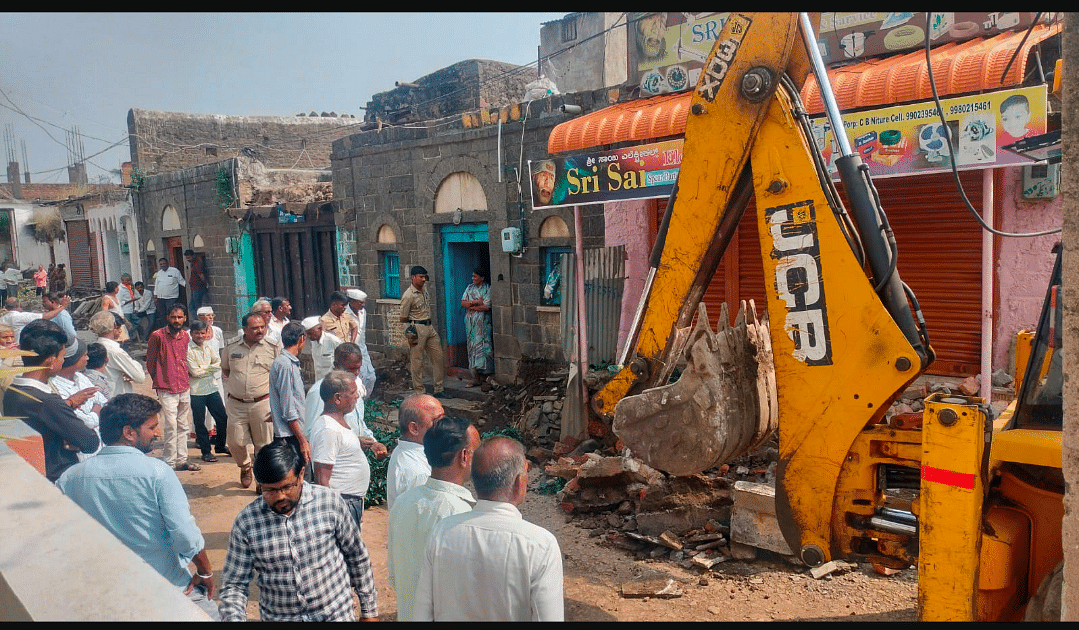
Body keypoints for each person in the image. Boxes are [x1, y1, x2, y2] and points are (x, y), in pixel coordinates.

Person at [57, 394, 219, 619]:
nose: (157, 433)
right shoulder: (157, 472)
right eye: (152, 427)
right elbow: (184, 534)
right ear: (129, 433)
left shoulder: (70, 478)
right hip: (166, 587)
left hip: (105, 593)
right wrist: (205, 571)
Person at [217, 440, 379, 622]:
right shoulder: (247, 523)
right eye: (269, 490)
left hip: (335, 614)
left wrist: (369, 611)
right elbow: (234, 585)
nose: (279, 497)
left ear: (301, 474)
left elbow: (357, 557)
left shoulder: (329, 503)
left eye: (286, 487)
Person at [414, 436, 564, 621]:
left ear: (476, 480)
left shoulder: (442, 532)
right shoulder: (541, 545)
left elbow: (422, 612)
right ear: (519, 481)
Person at [388, 417, 479, 621]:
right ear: (464, 456)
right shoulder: (463, 515)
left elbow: (395, 578)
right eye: (476, 452)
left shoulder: (402, 503)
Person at [3, 319, 99, 482]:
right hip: (55, 479)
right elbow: (90, 442)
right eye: (62, 356)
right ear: (51, 360)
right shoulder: (46, 401)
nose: (63, 361)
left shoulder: (12, 391)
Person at [222, 311, 281, 490]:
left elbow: (278, 375)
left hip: (262, 403)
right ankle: (245, 467)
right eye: (255, 328)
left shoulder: (272, 347)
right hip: (236, 403)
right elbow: (226, 370)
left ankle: (261, 479)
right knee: (235, 442)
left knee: (264, 445)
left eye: (262, 327)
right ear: (245, 329)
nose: (260, 331)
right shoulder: (231, 346)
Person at [304, 343, 388, 462]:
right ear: (337, 365)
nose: (357, 372)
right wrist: (354, 441)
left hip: (354, 459)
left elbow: (359, 422)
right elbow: (310, 434)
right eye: (352, 368)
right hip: (334, 464)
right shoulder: (319, 391)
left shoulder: (356, 386)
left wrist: (372, 442)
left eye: (359, 367)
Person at [310, 370, 369, 525]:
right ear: (337, 398)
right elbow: (322, 480)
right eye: (352, 392)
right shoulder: (328, 429)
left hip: (349, 502)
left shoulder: (337, 424)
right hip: (342, 505)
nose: (357, 396)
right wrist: (332, 515)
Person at [146, 303, 198, 472]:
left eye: (180, 317)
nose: (177, 320)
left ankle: (182, 460)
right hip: (166, 387)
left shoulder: (185, 336)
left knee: (183, 425)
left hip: (184, 385)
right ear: (168, 318)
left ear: (185, 318)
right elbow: (151, 363)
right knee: (170, 425)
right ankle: (169, 462)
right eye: (173, 317)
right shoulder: (157, 336)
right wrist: (159, 381)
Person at [48, 339, 107, 460]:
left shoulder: (81, 378)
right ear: (73, 359)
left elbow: (104, 401)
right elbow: (85, 421)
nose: (87, 359)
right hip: (81, 455)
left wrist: (94, 411)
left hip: (100, 449)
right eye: (84, 355)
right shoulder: (55, 386)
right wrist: (96, 411)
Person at [386, 394, 443, 510]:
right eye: (437, 421)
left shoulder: (405, 452)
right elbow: (425, 519)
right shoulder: (418, 472)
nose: (445, 426)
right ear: (414, 428)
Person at [399, 266, 446, 398]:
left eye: (425, 277)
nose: (423, 279)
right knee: (417, 361)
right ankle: (419, 391)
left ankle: (439, 389)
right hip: (417, 328)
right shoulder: (408, 295)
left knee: (438, 357)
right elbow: (403, 318)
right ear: (413, 277)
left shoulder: (424, 290)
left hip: (429, 326)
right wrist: (409, 334)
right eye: (421, 277)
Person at [269, 321, 311, 466]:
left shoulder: (287, 363)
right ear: (302, 339)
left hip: (292, 432)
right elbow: (288, 409)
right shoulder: (285, 365)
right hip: (290, 435)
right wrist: (302, 440)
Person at [188, 320, 229, 462]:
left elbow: (218, 363)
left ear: (206, 333)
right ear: (191, 333)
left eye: (202, 333)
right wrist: (210, 368)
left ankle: (220, 445)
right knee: (200, 423)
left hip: (211, 388)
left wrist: (204, 369)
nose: (200, 335)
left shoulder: (207, 346)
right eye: (197, 333)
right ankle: (206, 452)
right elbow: (194, 372)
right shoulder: (188, 349)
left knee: (223, 418)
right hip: (197, 391)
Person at [90, 310, 147, 398]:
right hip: (118, 398)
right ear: (114, 327)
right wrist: (131, 368)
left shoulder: (96, 346)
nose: (121, 330)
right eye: (119, 327)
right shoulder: (115, 351)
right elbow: (140, 376)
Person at [460, 267, 493, 387]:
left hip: (482, 326)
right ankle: (475, 378)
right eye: (472, 276)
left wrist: (472, 306)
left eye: (475, 276)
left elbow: (487, 306)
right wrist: (476, 302)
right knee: (472, 348)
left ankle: (485, 378)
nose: (472, 278)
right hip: (471, 325)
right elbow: (463, 303)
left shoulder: (487, 289)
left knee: (484, 349)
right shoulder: (469, 288)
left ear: (482, 278)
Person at [346, 288, 376, 398]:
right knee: (358, 377)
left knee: (371, 377)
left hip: (363, 348)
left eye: (364, 302)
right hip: (351, 349)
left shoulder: (363, 312)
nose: (363, 305)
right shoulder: (345, 313)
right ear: (352, 301)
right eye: (360, 302)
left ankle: (365, 401)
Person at [1, 294, 70, 341]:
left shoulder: (2, 318)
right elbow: (45, 316)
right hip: (15, 348)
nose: (43, 304)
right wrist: (62, 307)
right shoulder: (19, 317)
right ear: (20, 305)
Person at [302, 316, 341, 381]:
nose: (309, 336)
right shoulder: (313, 342)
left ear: (319, 329)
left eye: (311, 333)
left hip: (333, 381)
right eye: (307, 334)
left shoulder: (333, 340)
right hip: (319, 381)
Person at [152, 258, 186, 331]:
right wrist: (155, 296)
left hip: (171, 298)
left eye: (164, 263)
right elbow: (157, 285)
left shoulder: (175, 271)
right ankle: (166, 329)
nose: (163, 265)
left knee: (171, 314)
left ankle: (174, 328)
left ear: (167, 263)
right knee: (162, 315)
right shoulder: (159, 273)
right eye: (161, 264)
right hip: (161, 298)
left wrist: (189, 288)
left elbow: (182, 281)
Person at [184, 249, 208, 315]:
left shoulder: (197, 263)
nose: (188, 259)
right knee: (192, 306)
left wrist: (206, 284)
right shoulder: (193, 263)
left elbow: (201, 275)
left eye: (189, 257)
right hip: (194, 288)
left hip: (198, 288)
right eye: (187, 258)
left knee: (196, 307)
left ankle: (199, 321)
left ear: (193, 256)